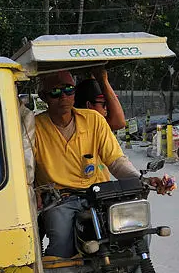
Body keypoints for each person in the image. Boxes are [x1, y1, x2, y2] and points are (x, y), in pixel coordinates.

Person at [34, 70, 171, 258]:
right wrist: (33, 189)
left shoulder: (94, 119)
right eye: (55, 92)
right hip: (60, 199)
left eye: (68, 90)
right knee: (61, 247)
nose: (64, 97)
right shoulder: (33, 127)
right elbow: (24, 167)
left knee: (137, 234)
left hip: (100, 194)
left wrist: (142, 180)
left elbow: (115, 161)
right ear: (44, 97)